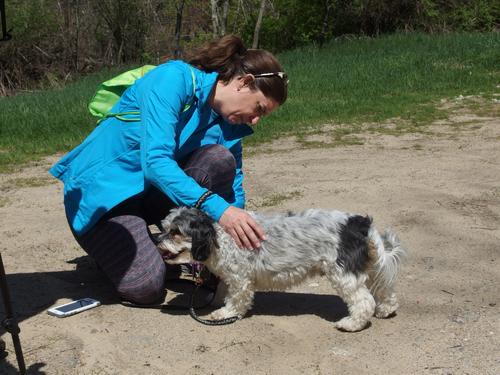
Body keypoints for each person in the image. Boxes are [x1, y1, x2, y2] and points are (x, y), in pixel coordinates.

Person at [49, 35, 288, 304]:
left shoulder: (229, 123)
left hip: (151, 195)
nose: (255, 120)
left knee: (219, 160)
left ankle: (163, 245)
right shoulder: (174, 79)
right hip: (105, 201)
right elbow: (156, 163)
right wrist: (222, 212)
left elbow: (233, 188)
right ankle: (125, 253)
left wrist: (238, 234)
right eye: (259, 108)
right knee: (146, 286)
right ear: (244, 83)